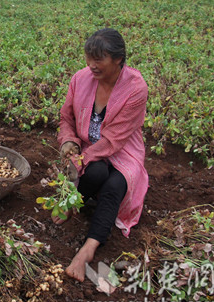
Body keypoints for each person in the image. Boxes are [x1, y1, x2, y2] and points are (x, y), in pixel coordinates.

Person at [55, 28, 149, 282]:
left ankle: (88, 248)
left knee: (114, 184)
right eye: (88, 58)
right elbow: (67, 118)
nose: (91, 65)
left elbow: (114, 139)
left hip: (123, 149)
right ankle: (73, 203)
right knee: (95, 172)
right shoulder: (80, 79)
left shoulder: (135, 88)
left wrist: (83, 158)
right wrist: (69, 143)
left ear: (118, 59)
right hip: (88, 145)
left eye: (99, 59)